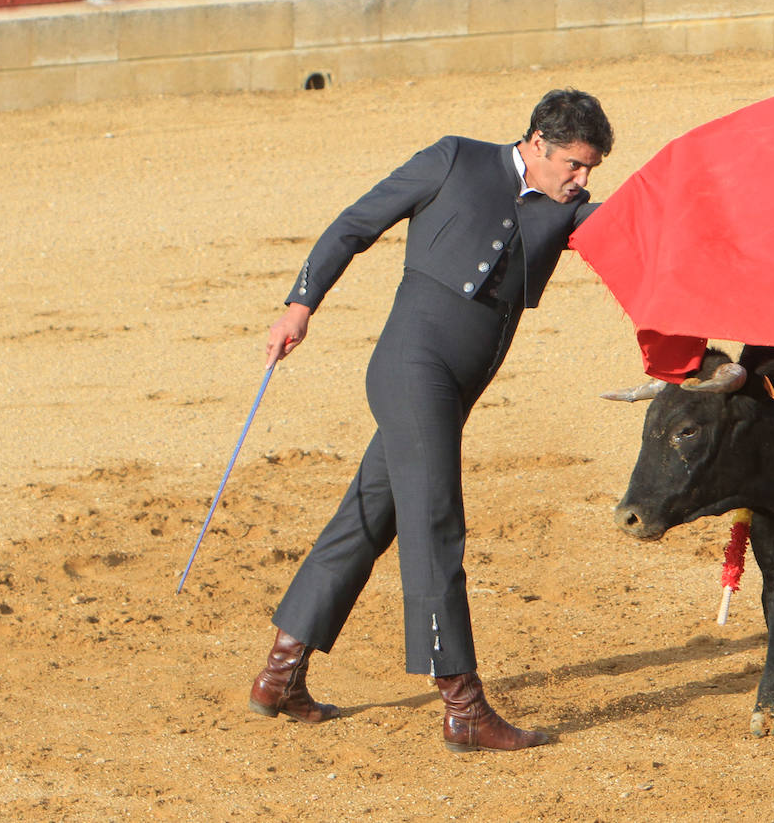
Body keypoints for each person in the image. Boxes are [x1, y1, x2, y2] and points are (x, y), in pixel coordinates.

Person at [247, 89, 614, 752]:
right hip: (411, 373)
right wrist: (300, 304)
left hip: (446, 395)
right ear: (536, 143)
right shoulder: (453, 160)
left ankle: (280, 673)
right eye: (576, 166)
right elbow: (355, 224)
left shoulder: (570, 211)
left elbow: (629, 235)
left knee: (365, 519)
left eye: (591, 171)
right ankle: (463, 705)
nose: (582, 181)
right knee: (437, 521)